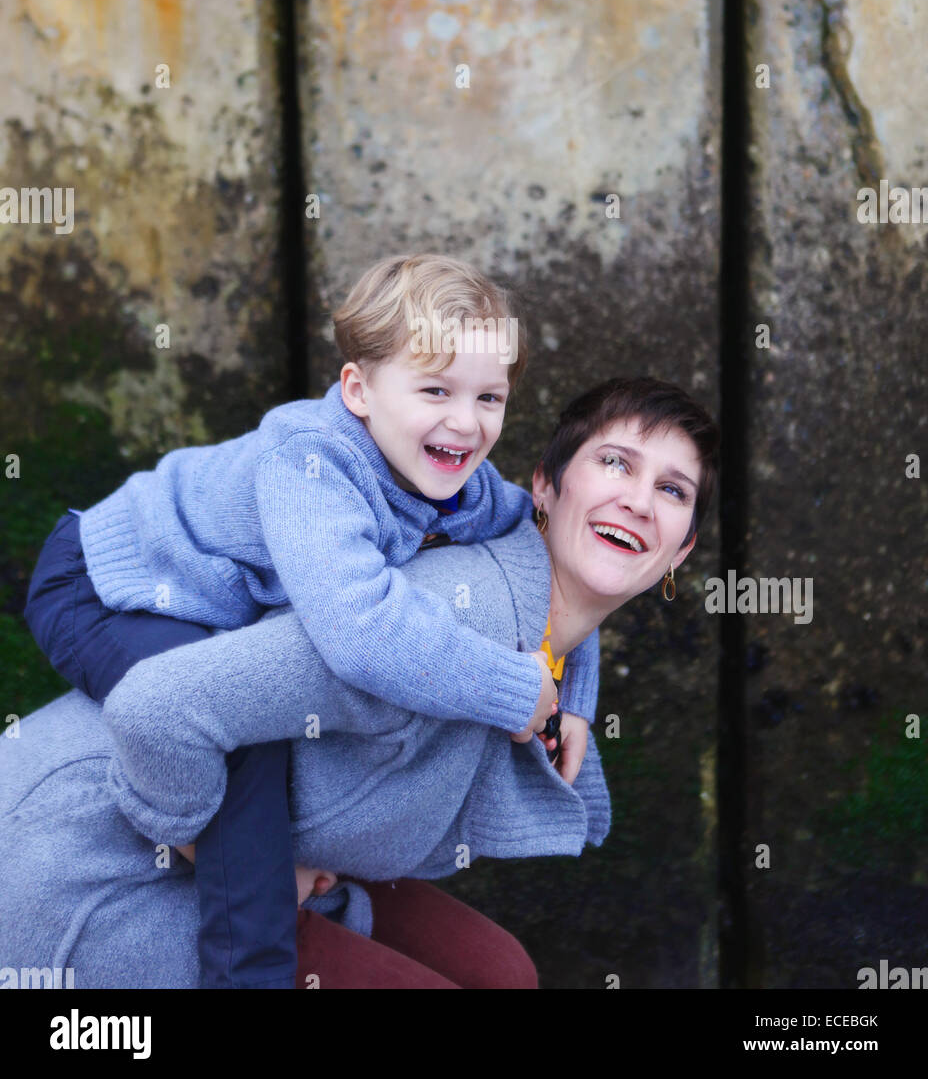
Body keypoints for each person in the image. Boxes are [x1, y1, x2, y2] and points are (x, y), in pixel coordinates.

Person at [0, 375, 718, 988]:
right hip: (89, 859)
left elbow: (566, 597)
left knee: (503, 975)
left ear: (681, 549)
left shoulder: (535, 612)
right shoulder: (429, 625)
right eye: (616, 464)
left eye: (672, 489)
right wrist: (223, 858)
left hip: (263, 842)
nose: (638, 500)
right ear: (543, 486)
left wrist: (578, 698)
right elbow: (158, 706)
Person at [19, 253, 596, 989]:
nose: (466, 421)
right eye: (435, 389)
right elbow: (360, 627)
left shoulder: (467, 485)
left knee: (255, 712)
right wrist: (516, 692)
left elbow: (546, 559)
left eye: (490, 397)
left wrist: (575, 691)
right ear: (358, 390)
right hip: (112, 582)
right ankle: (249, 965)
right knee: (236, 731)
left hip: (210, 605)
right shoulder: (312, 463)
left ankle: (271, 875)